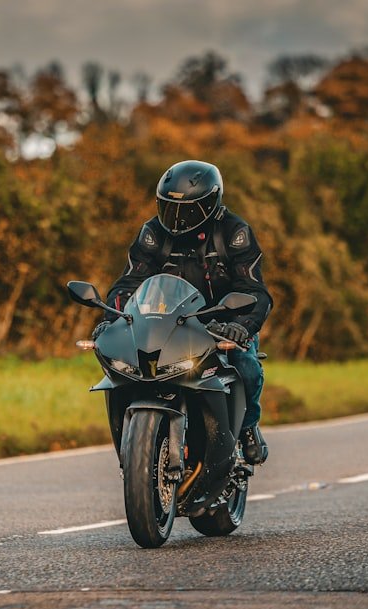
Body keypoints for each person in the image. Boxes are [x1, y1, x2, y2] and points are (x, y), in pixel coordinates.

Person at [98, 160, 272, 464]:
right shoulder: (152, 232)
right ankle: (136, 442)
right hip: (165, 323)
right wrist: (111, 319)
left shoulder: (234, 232)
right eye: (169, 208)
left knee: (247, 366)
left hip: (222, 323)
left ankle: (247, 427)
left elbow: (254, 290)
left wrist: (241, 326)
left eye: (187, 211)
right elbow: (129, 282)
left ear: (211, 204)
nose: (176, 219)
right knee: (125, 366)